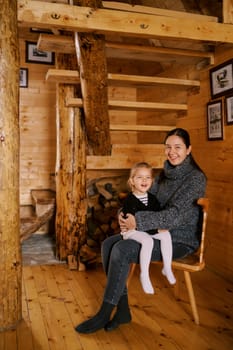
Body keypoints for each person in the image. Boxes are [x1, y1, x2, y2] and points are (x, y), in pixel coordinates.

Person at [75, 127, 207, 334]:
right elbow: (138, 198)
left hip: (178, 239)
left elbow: (175, 216)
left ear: (189, 150)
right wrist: (123, 213)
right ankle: (123, 311)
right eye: (168, 147)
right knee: (109, 243)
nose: (172, 152)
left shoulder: (195, 179)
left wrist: (137, 221)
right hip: (154, 231)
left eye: (178, 147)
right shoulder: (163, 175)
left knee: (122, 249)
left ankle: (104, 312)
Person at [121, 161, 176, 294]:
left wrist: (160, 228)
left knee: (166, 235)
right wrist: (156, 230)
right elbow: (135, 223)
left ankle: (167, 267)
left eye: (148, 177)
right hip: (131, 231)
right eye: (139, 177)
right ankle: (144, 275)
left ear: (151, 181)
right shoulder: (130, 200)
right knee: (147, 241)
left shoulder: (152, 199)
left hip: (147, 229)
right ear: (132, 181)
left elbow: (156, 216)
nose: (144, 180)